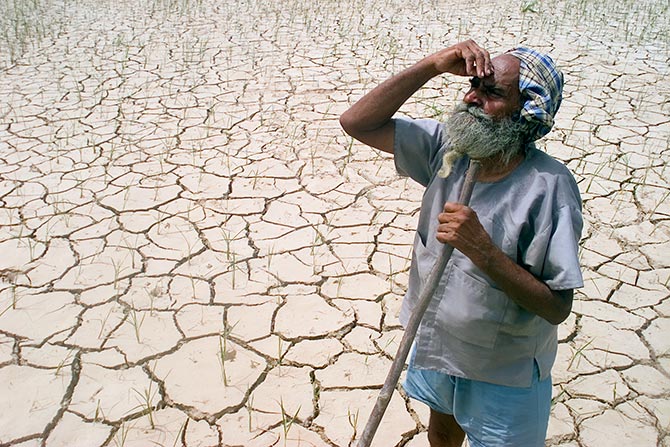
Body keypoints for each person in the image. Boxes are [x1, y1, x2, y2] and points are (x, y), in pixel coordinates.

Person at [339, 40, 583, 447]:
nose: (471, 98)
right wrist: (433, 65)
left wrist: (483, 251)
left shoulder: (549, 188)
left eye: (492, 93)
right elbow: (356, 122)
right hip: (438, 343)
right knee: (443, 432)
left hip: (503, 370)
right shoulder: (447, 150)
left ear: (527, 112)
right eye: (473, 86)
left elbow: (557, 307)